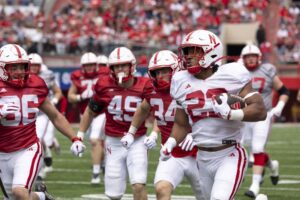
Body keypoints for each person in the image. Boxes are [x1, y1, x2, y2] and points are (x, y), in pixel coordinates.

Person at [160, 30, 267, 200]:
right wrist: (171, 143)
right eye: (186, 51)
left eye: (194, 50)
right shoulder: (180, 80)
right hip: (202, 157)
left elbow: (260, 110)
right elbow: (181, 124)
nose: (188, 56)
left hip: (229, 153)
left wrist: (232, 114)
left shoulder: (232, 74)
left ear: (211, 51)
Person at [0, 44, 85, 199]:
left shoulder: (36, 84)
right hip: (2, 152)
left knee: (20, 192)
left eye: (22, 66)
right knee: (12, 197)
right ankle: (42, 196)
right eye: (14, 68)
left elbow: (55, 116)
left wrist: (75, 138)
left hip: (28, 147)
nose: (19, 71)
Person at [120, 50, 204, 200]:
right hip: (171, 153)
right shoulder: (151, 90)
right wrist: (131, 132)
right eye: (156, 72)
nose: (160, 76)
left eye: (164, 71)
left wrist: (195, 135)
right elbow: (144, 109)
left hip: (198, 153)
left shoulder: (190, 85)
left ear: (176, 69)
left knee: (209, 196)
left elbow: (207, 114)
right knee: (161, 189)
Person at [77, 47, 152, 200]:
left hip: (137, 140)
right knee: (114, 194)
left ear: (132, 66)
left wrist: (156, 134)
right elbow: (90, 111)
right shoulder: (104, 85)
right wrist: (79, 136)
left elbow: (159, 111)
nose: (120, 69)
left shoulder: (145, 85)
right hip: (113, 142)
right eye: (116, 66)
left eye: (123, 65)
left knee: (138, 184)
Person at [240, 44, 289, 198]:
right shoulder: (238, 72)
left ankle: (254, 185)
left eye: (253, 56)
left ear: (259, 57)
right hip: (245, 116)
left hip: (263, 115)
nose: (251, 59)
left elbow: (284, 91)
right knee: (244, 148)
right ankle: (272, 165)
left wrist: (280, 106)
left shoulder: (267, 70)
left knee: (257, 148)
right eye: (248, 57)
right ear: (243, 59)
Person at [68, 52, 106, 184]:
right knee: (96, 142)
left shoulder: (104, 74)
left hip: (101, 113)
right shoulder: (78, 76)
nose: (89, 67)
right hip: (86, 114)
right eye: (87, 65)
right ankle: (103, 164)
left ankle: (96, 173)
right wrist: (80, 97)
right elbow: (70, 96)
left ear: (96, 65)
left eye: (91, 65)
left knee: (95, 140)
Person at [28, 53, 63, 180]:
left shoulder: (47, 75)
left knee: (38, 139)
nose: (34, 68)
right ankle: (48, 151)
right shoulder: (21, 75)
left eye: (37, 66)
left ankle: (41, 169)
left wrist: (53, 101)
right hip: (28, 114)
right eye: (32, 66)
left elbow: (58, 92)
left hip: (43, 113)